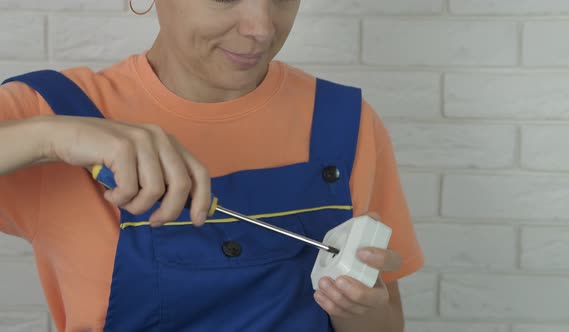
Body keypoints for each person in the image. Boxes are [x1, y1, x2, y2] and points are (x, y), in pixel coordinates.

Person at [0, 0, 424, 331]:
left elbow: (385, 325)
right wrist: (51, 138)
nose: (261, 27)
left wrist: (356, 310)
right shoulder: (51, 110)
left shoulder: (344, 122)